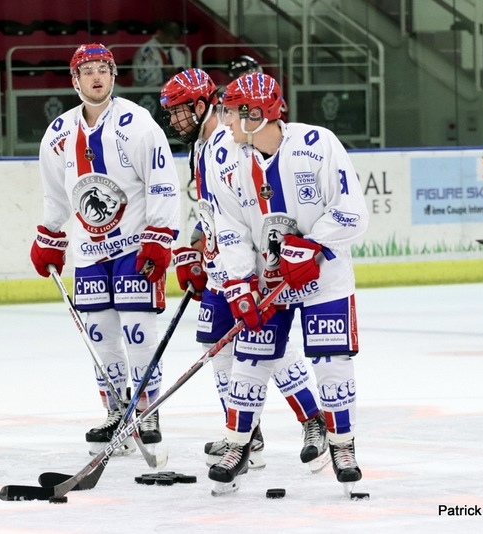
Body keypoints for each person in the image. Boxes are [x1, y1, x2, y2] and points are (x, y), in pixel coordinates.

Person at [203, 72, 369, 495]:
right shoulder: (227, 158)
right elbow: (232, 228)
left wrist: (311, 246)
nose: (225, 121)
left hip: (324, 279)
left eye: (232, 112)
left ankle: (342, 444)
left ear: (257, 115)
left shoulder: (317, 145)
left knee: (332, 362)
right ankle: (239, 445)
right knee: (252, 361)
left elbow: (352, 210)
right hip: (266, 282)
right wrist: (239, 283)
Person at [160, 68, 328, 473]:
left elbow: (256, 211)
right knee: (217, 349)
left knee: (270, 350)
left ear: (201, 106)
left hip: (252, 271)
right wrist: (197, 249)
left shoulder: (233, 144)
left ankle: (314, 421)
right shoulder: (203, 148)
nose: (173, 120)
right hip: (224, 268)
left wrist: (248, 274)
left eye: (179, 111)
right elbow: (216, 213)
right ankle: (244, 435)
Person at [29, 43, 180, 455]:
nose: (96, 76)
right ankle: (116, 410)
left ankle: (146, 411)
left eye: (103, 69)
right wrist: (49, 236)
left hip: (135, 246)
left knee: (137, 331)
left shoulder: (137, 123)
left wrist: (160, 234)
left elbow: (162, 183)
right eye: (87, 70)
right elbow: (58, 197)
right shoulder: (58, 134)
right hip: (90, 252)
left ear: (113, 75)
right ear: (74, 80)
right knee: (100, 336)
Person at [132, 20, 186, 87]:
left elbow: (185, 72)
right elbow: (140, 78)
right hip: (148, 92)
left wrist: (177, 71)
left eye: (174, 43)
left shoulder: (177, 52)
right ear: (162, 35)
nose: (172, 45)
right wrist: (163, 71)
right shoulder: (146, 51)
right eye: (170, 42)